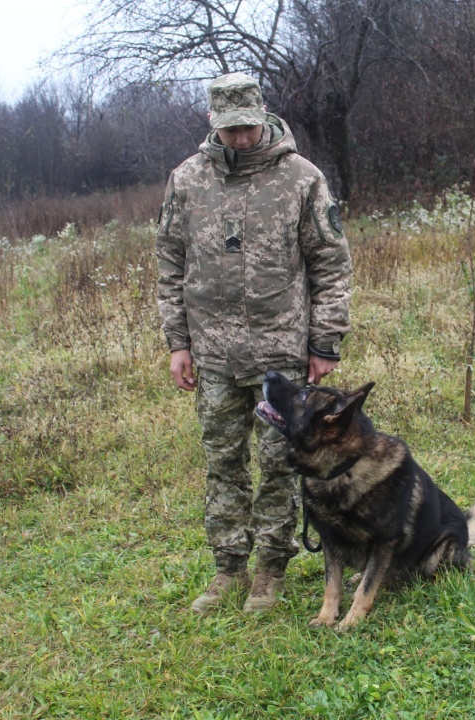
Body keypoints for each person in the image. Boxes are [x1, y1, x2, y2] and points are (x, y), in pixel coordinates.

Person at [155, 72, 352, 614]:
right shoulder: (187, 180)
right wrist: (179, 343)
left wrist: (325, 342)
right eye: (228, 130)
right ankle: (227, 569)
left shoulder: (301, 179)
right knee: (223, 461)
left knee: (280, 463)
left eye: (246, 127)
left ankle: (270, 569)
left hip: (280, 354)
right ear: (212, 124)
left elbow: (331, 264)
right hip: (212, 354)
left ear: (262, 116)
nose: (239, 138)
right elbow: (170, 264)